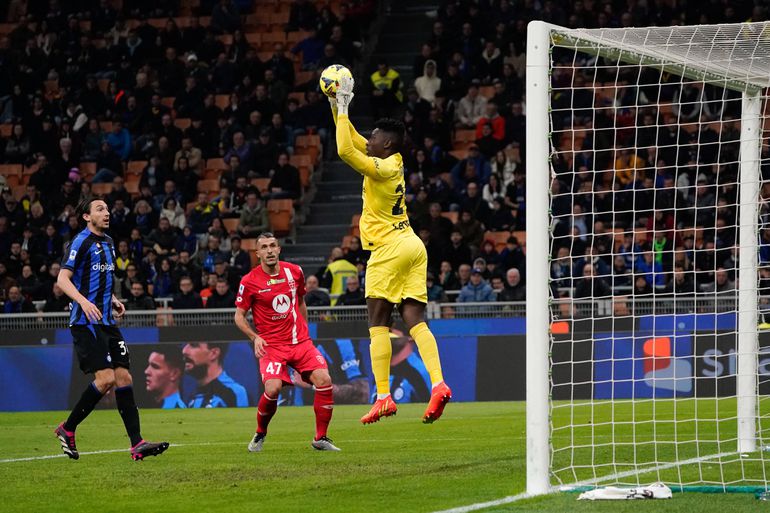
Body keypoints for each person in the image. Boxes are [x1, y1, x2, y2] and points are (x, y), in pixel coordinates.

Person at [331, 75, 451, 425]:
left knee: (378, 324)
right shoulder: (392, 161)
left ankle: (383, 396)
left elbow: (343, 149)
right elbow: (352, 137)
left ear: (386, 145)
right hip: (413, 244)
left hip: (388, 249)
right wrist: (339, 103)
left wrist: (341, 107)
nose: (368, 141)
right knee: (415, 321)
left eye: (374, 139)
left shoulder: (382, 168)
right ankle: (439, 383)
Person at [53, 198, 168, 461]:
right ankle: (67, 429)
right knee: (105, 380)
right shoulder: (80, 242)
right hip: (85, 322)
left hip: (107, 321)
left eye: (106, 209)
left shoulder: (109, 242)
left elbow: (100, 277)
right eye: (100, 209)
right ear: (86, 217)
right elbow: (63, 279)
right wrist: (82, 301)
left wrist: (113, 299)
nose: (106, 213)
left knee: (124, 378)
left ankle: (137, 443)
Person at [234, 232, 340, 451]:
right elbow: (238, 316)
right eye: (264, 247)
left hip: (300, 342)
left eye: (273, 246)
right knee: (272, 389)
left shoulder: (295, 272)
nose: (270, 250)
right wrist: (255, 337)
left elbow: (300, 301)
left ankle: (320, 438)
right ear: (258, 253)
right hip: (272, 346)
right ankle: (260, 433)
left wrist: (305, 330)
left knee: (324, 379)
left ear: (279, 249)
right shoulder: (249, 281)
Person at [182, 342, 248, 408]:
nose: (184, 350)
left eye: (194, 345)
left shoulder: (233, 394)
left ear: (214, 353)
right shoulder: (192, 395)